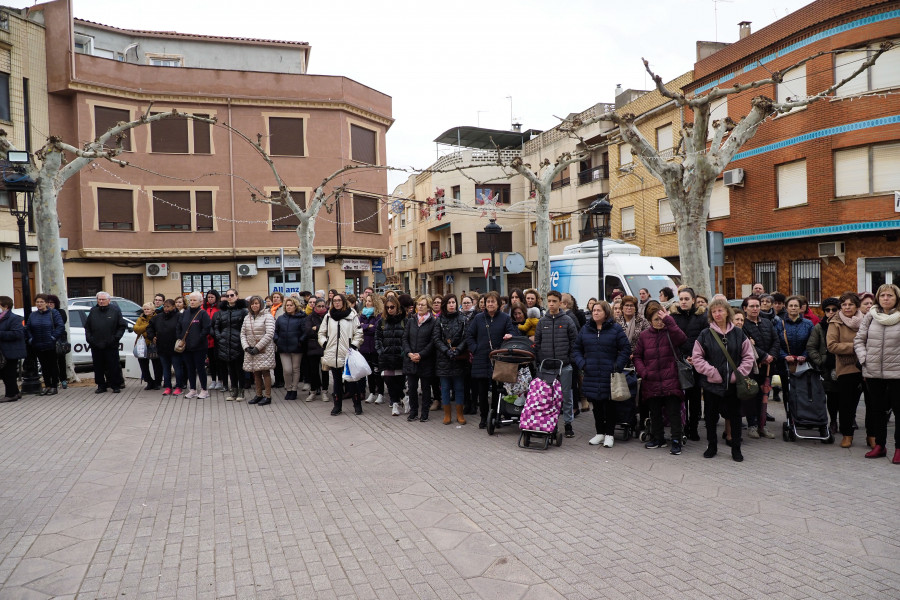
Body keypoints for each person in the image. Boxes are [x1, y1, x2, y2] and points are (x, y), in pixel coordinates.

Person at [692, 298, 755, 462]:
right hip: (712, 384)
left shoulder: (739, 333)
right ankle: (712, 446)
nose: (717, 314)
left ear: (727, 312)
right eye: (714, 311)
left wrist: (738, 374)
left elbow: (748, 357)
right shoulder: (705, 334)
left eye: (720, 310)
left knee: (735, 416)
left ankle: (736, 448)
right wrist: (712, 372)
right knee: (711, 417)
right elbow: (697, 358)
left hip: (734, 385)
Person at [573, 300, 631, 447]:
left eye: (599, 310)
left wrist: (617, 366)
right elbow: (576, 349)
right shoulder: (586, 329)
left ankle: (610, 435)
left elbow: (625, 349)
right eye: (593, 310)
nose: (595, 313)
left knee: (609, 405)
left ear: (606, 312)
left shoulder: (615, 329)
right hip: (591, 373)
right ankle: (600, 433)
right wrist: (582, 364)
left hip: (609, 374)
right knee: (596, 405)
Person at [633, 301, 688, 454]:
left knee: (674, 413)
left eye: (661, 319)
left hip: (671, 379)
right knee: (655, 413)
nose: (659, 322)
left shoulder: (671, 331)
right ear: (650, 321)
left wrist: (669, 321)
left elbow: (682, 339)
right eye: (656, 319)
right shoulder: (644, 336)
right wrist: (643, 372)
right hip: (651, 381)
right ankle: (658, 438)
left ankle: (676, 440)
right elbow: (637, 356)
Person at [854, 283, 900, 463]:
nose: (886, 299)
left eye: (890, 295)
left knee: (899, 411)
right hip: (873, 372)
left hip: (897, 373)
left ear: (896, 298)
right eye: (882, 296)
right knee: (877, 411)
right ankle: (879, 445)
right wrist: (864, 359)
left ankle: (898, 448)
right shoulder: (870, 317)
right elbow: (859, 340)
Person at [465, 291, 516, 429]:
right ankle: (483, 417)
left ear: (498, 304)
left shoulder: (505, 318)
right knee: (482, 391)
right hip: (481, 357)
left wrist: (508, 336)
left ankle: (495, 416)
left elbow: (512, 333)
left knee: (497, 390)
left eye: (493, 301)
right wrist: (475, 348)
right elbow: (469, 335)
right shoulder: (478, 318)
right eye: (488, 302)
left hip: (499, 359)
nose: (490, 304)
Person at [535, 291, 580, 438]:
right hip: (547, 366)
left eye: (554, 301)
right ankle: (549, 423)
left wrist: (570, 359)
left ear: (560, 303)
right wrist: (542, 359)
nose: (551, 304)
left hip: (564, 365)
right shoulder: (542, 322)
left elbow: (575, 342)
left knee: (566, 395)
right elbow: (538, 343)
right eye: (549, 301)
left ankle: (568, 424)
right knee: (548, 396)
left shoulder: (567, 320)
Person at [670, 287, 708, 441]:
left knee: (694, 397)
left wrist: (696, 356)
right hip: (679, 361)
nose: (684, 302)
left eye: (687, 299)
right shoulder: (673, 317)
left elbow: (705, 339)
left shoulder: (702, 317)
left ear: (693, 300)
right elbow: (672, 339)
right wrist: (681, 356)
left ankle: (693, 427)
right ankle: (683, 426)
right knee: (681, 397)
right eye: (681, 299)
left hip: (697, 361)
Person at [827, 292, 864, 448]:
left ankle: (873, 436)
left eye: (850, 304)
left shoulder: (866, 320)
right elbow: (832, 345)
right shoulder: (835, 322)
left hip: (867, 366)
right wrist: (857, 347)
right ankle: (847, 435)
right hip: (846, 367)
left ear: (856, 306)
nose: (847, 307)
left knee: (873, 403)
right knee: (846, 404)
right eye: (844, 305)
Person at [318, 293, 363, 415]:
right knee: (337, 382)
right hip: (333, 353)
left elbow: (359, 333)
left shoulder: (352, 315)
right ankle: (337, 406)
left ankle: (357, 405)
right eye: (334, 300)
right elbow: (321, 333)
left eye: (339, 300)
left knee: (352, 381)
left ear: (343, 302)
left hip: (348, 353)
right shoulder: (328, 316)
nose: (337, 302)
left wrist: (354, 345)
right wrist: (324, 343)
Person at [741, 295, 779, 440]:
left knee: (764, 397)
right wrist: (763, 356)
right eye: (752, 306)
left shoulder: (767, 323)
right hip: (752, 368)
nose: (755, 309)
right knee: (752, 396)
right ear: (745, 309)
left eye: (757, 306)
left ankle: (762, 424)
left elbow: (776, 340)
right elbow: (748, 345)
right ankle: (752, 425)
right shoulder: (743, 325)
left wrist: (771, 356)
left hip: (768, 367)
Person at [433, 293, 469, 425]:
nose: (451, 305)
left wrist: (457, 349)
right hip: (444, 358)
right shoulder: (439, 320)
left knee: (459, 387)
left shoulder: (463, 319)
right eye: (449, 303)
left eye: (453, 302)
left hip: (459, 357)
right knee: (445, 387)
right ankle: (447, 414)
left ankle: (460, 414)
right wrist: (446, 351)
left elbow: (466, 337)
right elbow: (436, 339)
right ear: (445, 305)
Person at [807, 297, 841, 435]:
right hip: (826, 368)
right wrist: (821, 361)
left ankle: (848, 420)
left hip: (843, 366)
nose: (831, 312)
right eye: (827, 310)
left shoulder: (844, 325)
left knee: (844, 396)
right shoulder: (819, 327)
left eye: (834, 309)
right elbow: (811, 347)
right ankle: (832, 421)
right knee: (830, 396)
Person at [84, 291, 127, 394]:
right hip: (96, 345)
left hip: (111, 345)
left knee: (113, 366)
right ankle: (101, 385)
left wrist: (115, 338)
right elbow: (87, 327)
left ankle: (115, 385)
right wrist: (90, 340)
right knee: (98, 367)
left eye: (103, 299)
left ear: (109, 300)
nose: (101, 301)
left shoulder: (115, 311)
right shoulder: (93, 311)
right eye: (99, 299)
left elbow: (121, 326)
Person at [403, 295, 437, 422]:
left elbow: (433, 342)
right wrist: (409, 353)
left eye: (423, 305)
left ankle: (425, 413)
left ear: (428, 307)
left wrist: (421, 355)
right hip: (410, 359)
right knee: (411, 388)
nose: (420, 307)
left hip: (425, 360)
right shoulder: (411, 321)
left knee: (426, 388)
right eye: (418, 304)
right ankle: (413, 412)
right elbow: (405, 339)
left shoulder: (433, 322)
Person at [26, 293, 65, 396]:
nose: (39, 304)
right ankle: (47, 386)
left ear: (47, 303)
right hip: (38, 344)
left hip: (51, 344)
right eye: (37, 302)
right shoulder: (33, 315)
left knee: (52, 365)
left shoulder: (54, 313)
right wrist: (31, 339)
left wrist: (53, 337)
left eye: (42, 302)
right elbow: (28, 328)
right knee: (44, 366)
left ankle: (54, 386)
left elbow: (60, 326)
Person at [213, 289, 248, 401]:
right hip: (225, 343)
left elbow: (246, 327)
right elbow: (216, 326)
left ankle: (241, 392)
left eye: (232, 295)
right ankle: (233, 391)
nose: (230, 297)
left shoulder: (243, 311)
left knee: (239, 369)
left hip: (238, 343)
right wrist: (219, 337)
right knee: (231, 369)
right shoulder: (221, 311)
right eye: (228, 295)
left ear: (237, 296)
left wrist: (241, 339)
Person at [177, 291, 212, 399]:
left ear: (200, 301)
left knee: (200, 368)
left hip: (199, 347)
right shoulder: (185, 313)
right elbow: (179, 326)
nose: (192, 302)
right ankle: (192, 389)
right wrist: (180, 338)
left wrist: (197, 340)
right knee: (190, 368)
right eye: (190, 300)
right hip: (186, 347)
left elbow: (206, 329)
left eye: (194, 300)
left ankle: (204, 390)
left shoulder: (203, 313)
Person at [242, 295, 276, 406]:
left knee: (265, 372)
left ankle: (267, 396)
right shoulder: (247, 317)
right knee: (255, 372)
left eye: (256, 303)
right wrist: (246, 347)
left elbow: (269, 334)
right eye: (252, 303)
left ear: (261, 304)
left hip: (263, 349)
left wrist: (258, 347)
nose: (254, 305)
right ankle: (258, 394)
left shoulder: (268, 316)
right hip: (251, 349)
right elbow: (243, 334)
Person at [375, 297, 406, 416]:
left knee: (399, 381)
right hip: (386, 356)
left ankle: (402, 398)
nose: (389, 309)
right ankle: (395, 404)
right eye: (387, 307)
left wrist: (403, 351)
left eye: (392, 307)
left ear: (397, 306)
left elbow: (407, 337)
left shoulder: (405, 320)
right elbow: (377, 338)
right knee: (388, 380)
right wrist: (381, 351)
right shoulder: (381, 321)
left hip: (400, 356)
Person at [274, 296, 306, 400]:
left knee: (295, 369)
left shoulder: (302, 318)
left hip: (297, 347)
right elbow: (275, 331)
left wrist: (300, 341)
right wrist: (277, 340)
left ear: (295, 306)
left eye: (291, 305)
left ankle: (294, 389)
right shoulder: (281, 318)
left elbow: (305, 331)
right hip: (283, 347)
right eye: (287, 305)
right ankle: (288, 388)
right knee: (287, 370)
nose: (288, 307)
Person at [148, 299, 182, 395]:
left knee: (177, 368)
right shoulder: (158, 317)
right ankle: (168, 387)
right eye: (164, 306)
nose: (166, 309)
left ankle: (179, 386)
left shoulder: (179, 316)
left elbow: (183, 329)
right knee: (166, 369)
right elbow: (149, 327)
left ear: (173, 307)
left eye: (168, 306)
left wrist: (181, 339)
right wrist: (152, 336)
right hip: (162, 347)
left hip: (175, 348)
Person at [358, 294, 384, 404]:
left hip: (374, 347)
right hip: (364, 347)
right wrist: (366, 326)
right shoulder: (362, 315)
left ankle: (381, 394)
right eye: (366, 301)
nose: (367, 303)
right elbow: (358, 327)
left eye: (370, 301)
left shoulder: (379, 315)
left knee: (377, 371)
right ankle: (372, 393)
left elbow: (376, 329)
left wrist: (366, 326)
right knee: (369, 372)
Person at [0, 296, 26, 401]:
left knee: (8, 373)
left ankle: (10, 395)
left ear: (6, 306)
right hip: (3, 351)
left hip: (11, 350)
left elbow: (17, 333)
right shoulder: (2, 317)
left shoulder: (14, 318)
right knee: (6, 373)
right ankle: (15, 392)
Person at [303, 297, 329, 402]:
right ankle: (313, 391)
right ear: (315, 306)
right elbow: (308, 331)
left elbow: (329, 331)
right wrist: (320, 330)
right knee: (313, 371)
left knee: (325, 371)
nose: (321, 308)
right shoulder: (310, 317)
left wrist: (317, 328)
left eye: (323, 306)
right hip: (313, 346)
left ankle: (325, 391)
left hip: (325, 346)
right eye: (319, 306)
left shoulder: (328, 316)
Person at [132, 302, 162, 391]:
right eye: (144, 309)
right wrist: (148, 325)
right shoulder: (140, 318)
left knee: (156, 364)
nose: (146, 311)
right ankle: (149, 381)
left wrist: (145, 329)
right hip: (142, 344)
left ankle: (157, 382)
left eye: (148, 309)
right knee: (143, 365)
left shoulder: (157, 317)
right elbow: (136, 329)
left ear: (153, 310)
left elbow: (158, 329)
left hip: (154, 343)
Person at [46, 295, 69, 389]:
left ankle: (63, 379)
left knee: (61, 360)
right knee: (50, 362)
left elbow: (60, 324)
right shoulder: (44, 313)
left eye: (51, 303)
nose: (49, 304)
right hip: (48, 340)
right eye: (48, 303)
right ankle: (53, 380)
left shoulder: (60, 312)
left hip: (59, 340)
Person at [204, 290, 222, 390]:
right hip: (207, 339)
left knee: (218, 361)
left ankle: (220, 380)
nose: (210, 299)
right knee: (210, 361)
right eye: (209, 297)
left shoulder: (218, 308)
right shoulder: (204, 308)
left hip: (217, 339)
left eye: (212, 297)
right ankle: (213, 380)